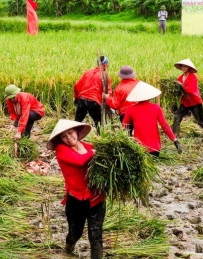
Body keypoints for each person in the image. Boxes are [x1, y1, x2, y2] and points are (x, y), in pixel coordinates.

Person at [46, 119, 106, 259]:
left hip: (97, 197)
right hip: (76, 200)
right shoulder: (62, 150)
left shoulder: (88, 146)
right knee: (75, 232)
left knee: (95, 235)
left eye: (70, 133)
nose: (69, 137)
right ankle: (68, 247)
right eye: (64, 136)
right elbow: (80, 161)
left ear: (77, 132)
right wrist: (94, 152)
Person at [123, 81, 182, 157]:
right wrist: (175, 140)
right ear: (149, 96)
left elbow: (124, 127)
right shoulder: (156, 108)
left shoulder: (130, 109)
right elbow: (164, 126)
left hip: (139, 149)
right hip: (155, 149)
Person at [74, 56, 112, 132]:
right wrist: (110, 105)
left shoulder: (88, 72)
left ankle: (71, 138)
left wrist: (76, 98)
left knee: (76, 124)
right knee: (99, 125)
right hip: (93, 103)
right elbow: (108, 92)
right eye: (107, 64)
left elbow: (77, 86)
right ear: (105, 64)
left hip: (82, 100)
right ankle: (100, 141)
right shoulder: (105, 75)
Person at [172, 58, 203, 137]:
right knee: (177, 117)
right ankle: (175, 135)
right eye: (182, 66)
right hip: (186, 102)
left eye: (185, 67)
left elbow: (190, 90)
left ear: (189, 68)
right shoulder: (180, 78)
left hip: (195, 102)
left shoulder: (193, 77)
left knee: (201, 122)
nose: (183, 68)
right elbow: (180, 91)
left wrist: (181, 85)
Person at [102, 65, 139, 135]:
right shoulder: (139, 84)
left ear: (121, 76)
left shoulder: (119, 88)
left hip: (125, 114)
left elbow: (115, 105)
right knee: (140, 135)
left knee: (127, 136)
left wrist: (107, 98)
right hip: (139, 113)